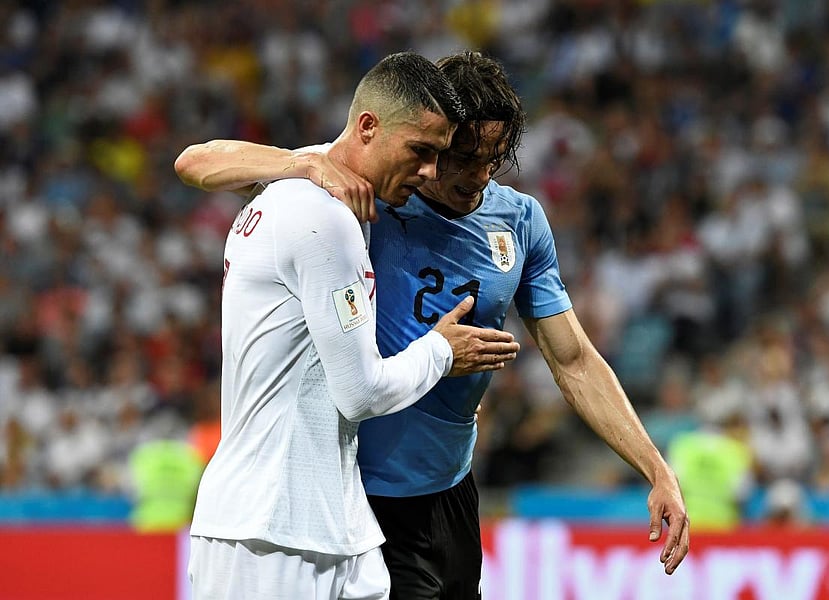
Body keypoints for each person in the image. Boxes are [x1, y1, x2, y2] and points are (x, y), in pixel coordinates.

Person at [175, 51, 689, 598]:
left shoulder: (519, 222)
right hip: (363, 496)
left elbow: (574, 360)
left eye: (493, 159)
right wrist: (300, 164)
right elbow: (197, 161)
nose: (476, 176)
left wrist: (655, 466)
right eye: (461, 157)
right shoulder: (365, 185)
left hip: (451, 490)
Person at [179, 52, 521, 600]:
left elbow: (197, 162)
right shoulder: (321, 213)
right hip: (267, 532)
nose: (432, 172)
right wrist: (440, 353)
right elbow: (360, 391)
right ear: (367, 127)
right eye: (422, 152)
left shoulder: (325, 185)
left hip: (333, 525)